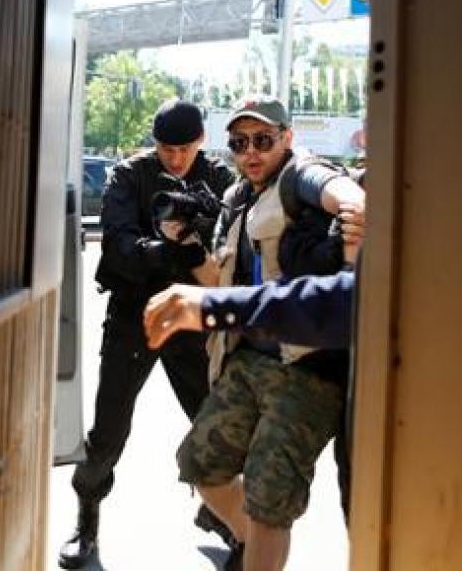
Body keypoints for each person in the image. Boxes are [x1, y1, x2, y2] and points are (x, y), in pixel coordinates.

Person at [174, 95, 365, 571]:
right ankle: (253, 548)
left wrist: (355, 209)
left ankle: (259, 554)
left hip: (305, 370)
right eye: (239, 143)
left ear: (287, 138)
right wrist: (185, 243)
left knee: (269, 499)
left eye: (263, 140)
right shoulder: (239, 198)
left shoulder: (300, 175)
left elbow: (335, 187)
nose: (251, 152)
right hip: (249, 359)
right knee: (198, 464)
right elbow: (220, 287)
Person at [58, 98, 236, 569]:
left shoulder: (218, 179)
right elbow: (119, 247)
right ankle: (86, 520)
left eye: (184, 148)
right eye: (165, 148)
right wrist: (174, 248)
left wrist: (194, 239)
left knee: (215, 425)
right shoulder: (129, 175)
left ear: (200, 141)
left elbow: (232, 248)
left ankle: (218, 511)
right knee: (109, 432)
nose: (175, 158)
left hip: (193, 319)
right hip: (133, 316)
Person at [143, 271, 356, 352]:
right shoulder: (235, 202)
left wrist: (214, 306)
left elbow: (345, 301)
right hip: (240, 352)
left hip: (301, 367)